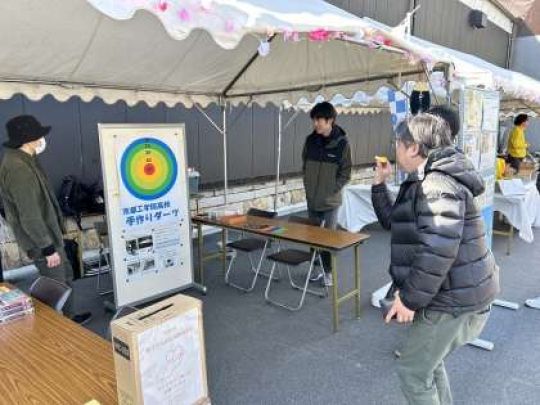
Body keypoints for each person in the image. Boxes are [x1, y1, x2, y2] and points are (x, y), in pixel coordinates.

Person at [372, 113, 499, 405]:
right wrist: (380, 184)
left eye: (398, 144)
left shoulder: (436, 185)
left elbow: (438, 250)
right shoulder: (427, 179)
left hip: (451, 300)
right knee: (429, 365)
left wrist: (409, 300)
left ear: (414, 147)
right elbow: (394, 221)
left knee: (413, 373)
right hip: (454, 294)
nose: (396, 150)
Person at [0, 115, 91, 324]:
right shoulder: (18, 168)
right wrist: (47, 248)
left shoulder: (25, 159)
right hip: (44, 240)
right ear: (29, 138)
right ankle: (57, 329)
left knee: (65, 277)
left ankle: (70, 319)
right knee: (55, 285)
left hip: (50, 235)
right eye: (38, 134)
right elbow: (29, 214)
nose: (42, 138)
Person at [302, 102, 352, 287]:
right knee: (312, 236)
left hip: (330, 201)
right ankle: (317, 270)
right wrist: (308, 187)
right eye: (314, 120)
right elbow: (305, 165)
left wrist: (331, 188)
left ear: (330, 120)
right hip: (312, 199)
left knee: (327, 238)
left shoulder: (342, 143)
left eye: (319, 120)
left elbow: (346, 172)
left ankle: (328, 272)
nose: (315, 123)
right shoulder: (310, 141)